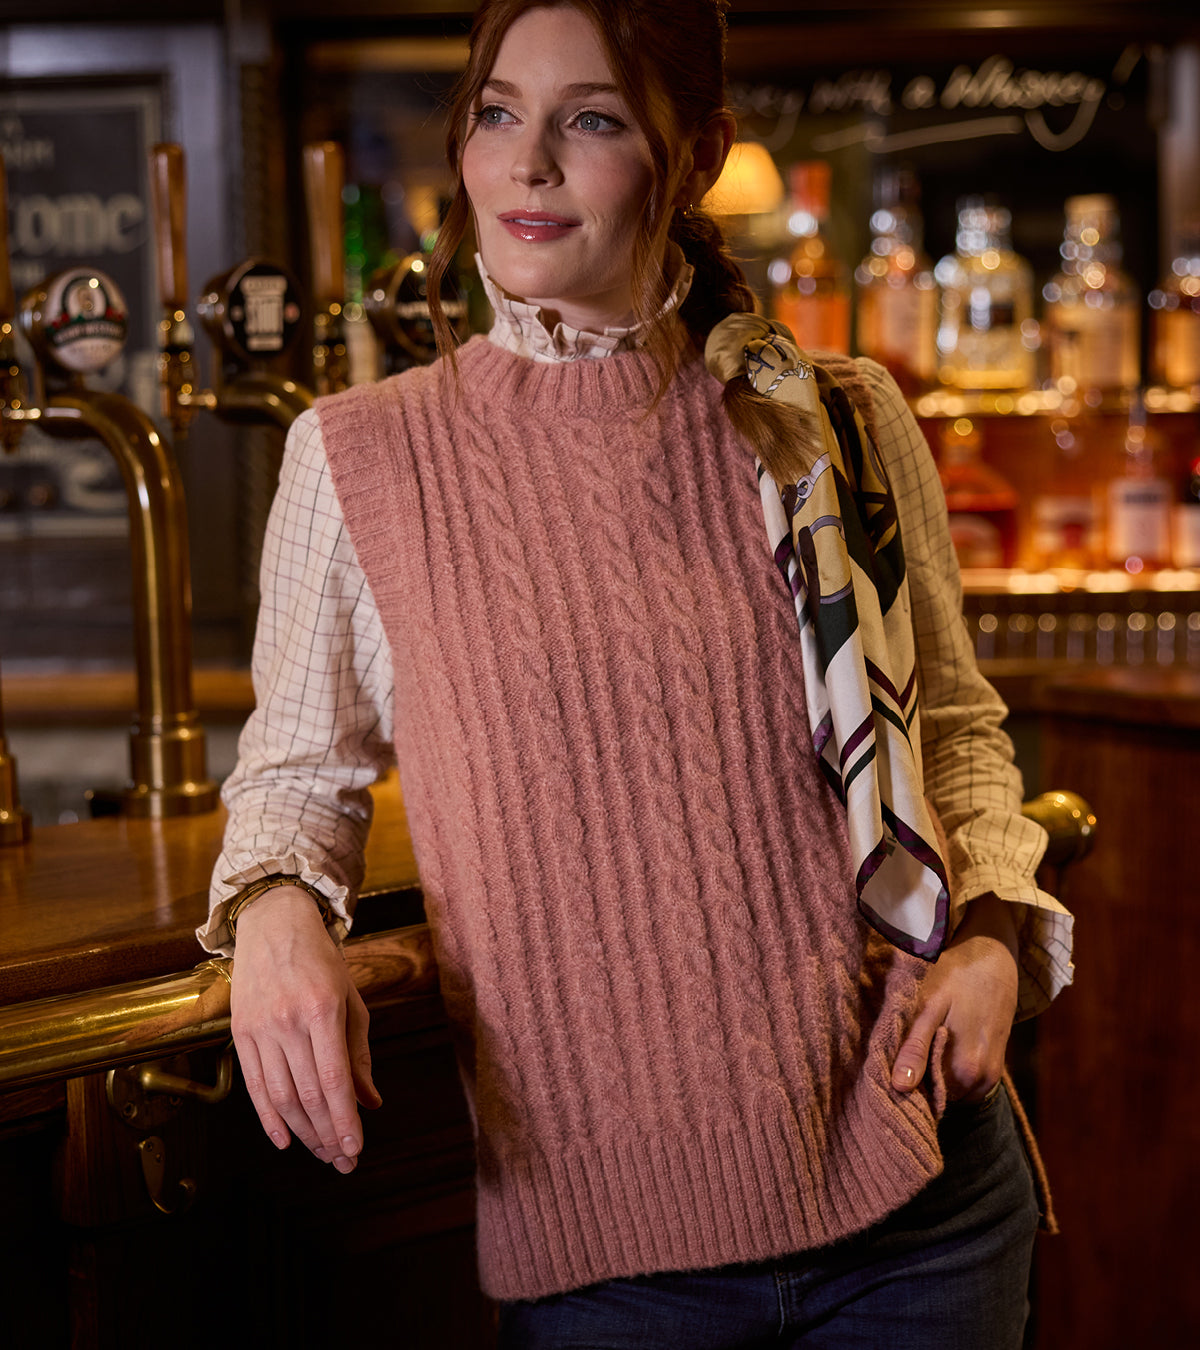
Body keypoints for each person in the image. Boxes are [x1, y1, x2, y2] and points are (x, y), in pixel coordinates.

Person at [202, 1, 1074, 1345]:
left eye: (591, 118)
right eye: (499, 112)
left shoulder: (835, 417)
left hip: (927, 1210)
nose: (527, 161)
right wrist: (270, 912)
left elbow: (954, 729)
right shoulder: (355, 458)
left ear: (695, 154)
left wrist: (993, 936)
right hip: (611, 1268)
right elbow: (294, 774)